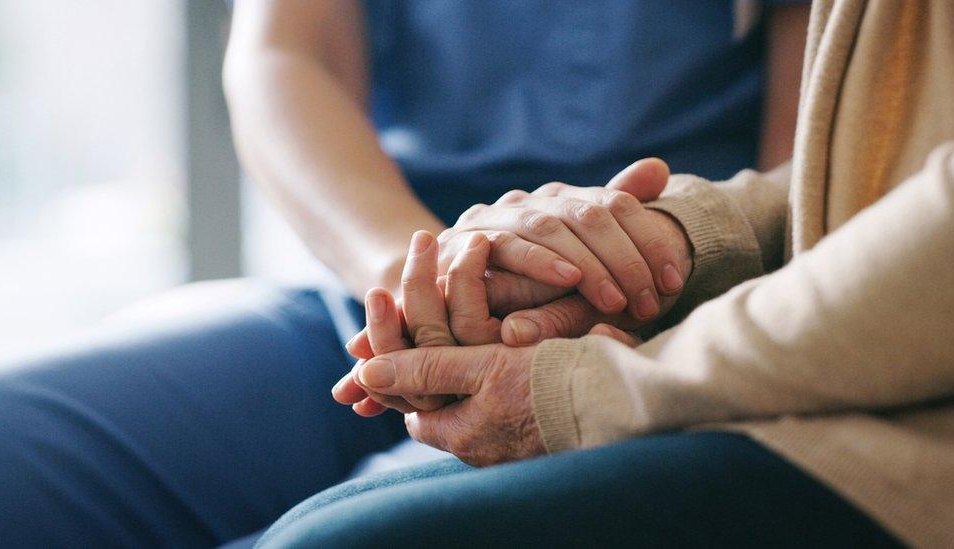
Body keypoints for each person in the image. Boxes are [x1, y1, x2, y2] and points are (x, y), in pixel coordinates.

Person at [0, 1, 808, 547]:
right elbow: (283, 58)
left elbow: (811, 171)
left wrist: (630, 289)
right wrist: (419, 275)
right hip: (367, 292)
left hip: (644, 329)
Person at [258, 0, 954, 547]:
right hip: (430, 285)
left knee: (324, 537)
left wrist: (591, 385)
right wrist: (679, 234)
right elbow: (865, 172)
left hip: (857, 405)